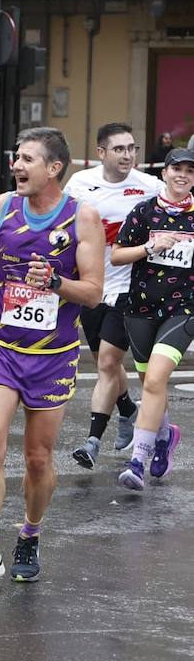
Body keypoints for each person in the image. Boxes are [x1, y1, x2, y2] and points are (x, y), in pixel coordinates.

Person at [0, 127, 103, 592]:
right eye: (16, 157)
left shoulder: (83, 217)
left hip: (53, 356)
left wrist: (56, 283)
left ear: (54, 168)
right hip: (1, 349)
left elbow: (93, 293)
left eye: (27, 159)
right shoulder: (2, 206)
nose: (16, 165)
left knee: (37, 459)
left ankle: (30, 536)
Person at [62, 122, 160, 468]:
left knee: (107, 361)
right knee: (105, 362)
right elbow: (65, 229)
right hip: (91, 288)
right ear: (101, 153)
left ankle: (92, 442)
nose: (128, 155)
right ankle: (129, 409)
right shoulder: (79, 185)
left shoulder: (150, 186)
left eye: (132, 148)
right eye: (119, 149)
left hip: (129, 289)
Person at [110, 148, 194, 491]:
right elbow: (117, 255)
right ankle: (164, 436)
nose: (183, 175)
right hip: (140, 309)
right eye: (177, 169)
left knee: (157, 380)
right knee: (150, 385)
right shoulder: (144, 212)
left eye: (190, 171)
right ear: (165, 173)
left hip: (183, 310)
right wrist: (150, 247)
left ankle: (137, 463)